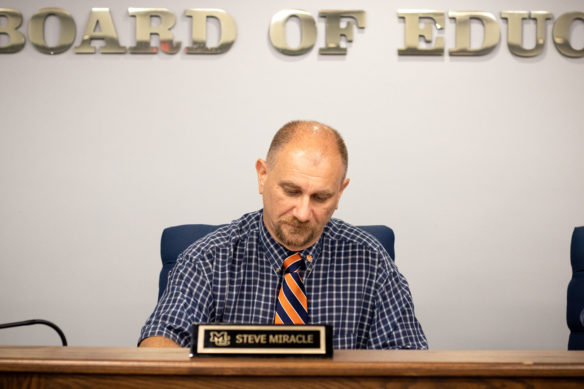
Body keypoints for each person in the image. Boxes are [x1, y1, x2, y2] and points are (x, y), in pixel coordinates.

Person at [139, 120, 427, 349]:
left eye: (321, 197)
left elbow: (408, 360)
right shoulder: (208, 258)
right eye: (291, 191)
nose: (302, 213)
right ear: (262, 175)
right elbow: (160, 340)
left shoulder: (371, 261)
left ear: (340, 193)